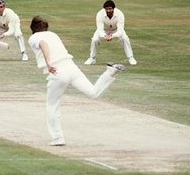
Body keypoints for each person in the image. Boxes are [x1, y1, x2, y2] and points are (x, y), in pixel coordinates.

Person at [28, 15, 126, 146]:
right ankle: (110, 72)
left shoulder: (34, 37)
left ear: (33, 29)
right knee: (93, 93)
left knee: (52, 104)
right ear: (47, 27)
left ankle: (58, 138)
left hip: (57, 71)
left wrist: (49, 62)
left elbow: (43, 44)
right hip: (71, 67)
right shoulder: (54, 35)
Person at [84, 0, 136, 66]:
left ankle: (130, 57)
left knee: (124, 38)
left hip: (116, 29)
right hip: (104, 30)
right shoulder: (100, 14)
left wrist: (112, 36)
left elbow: (120, 31)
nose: (108, 11)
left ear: (113, 8)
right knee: (95, 40)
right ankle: (92, 58)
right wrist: (105, 35)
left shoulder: (120, 14)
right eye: (106, 9)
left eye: (110, 9)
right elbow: (100, 30)